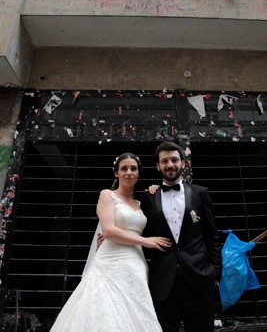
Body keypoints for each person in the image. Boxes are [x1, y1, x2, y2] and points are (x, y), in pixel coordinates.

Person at [50, 153, 172, 331]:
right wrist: (146, 241)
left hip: (136, 264)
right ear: (116, 173)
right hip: (110, 262)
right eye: (124, 168)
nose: (129, 172)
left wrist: (155, 189)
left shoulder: (142, 202)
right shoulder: (107, 195)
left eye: (133, 169)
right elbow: (108, 230)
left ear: (139, 174)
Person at [141, 141, 221, 332]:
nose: (170, 164)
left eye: (175, 160)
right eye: (165, 161)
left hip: (199, 277)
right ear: (158, 166)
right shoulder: (148, 198)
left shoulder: (201, 193)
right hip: (163, 281)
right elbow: (138, 233)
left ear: (183, 163)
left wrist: (215, 271)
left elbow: (212, 235)